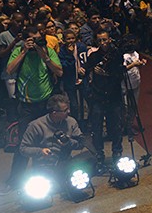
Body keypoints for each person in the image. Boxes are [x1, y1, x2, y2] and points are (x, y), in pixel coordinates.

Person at [4, 24, 63, 190]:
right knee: (24, 143)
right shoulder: (19, 51)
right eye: (32, 40)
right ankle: (15, 179)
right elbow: (9, 70)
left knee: (50, 140)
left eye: (38, 39)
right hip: (27, 105)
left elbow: (59, 72)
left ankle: (50, 175)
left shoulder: (47, 51)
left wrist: (44, 55)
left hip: (46, 103)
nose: (36, 42)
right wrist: (24, 51)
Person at [85, 30, 126, 172]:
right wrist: (90, 71)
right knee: (96, 128)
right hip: (98, 96)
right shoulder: (94, 56)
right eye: (100, 40)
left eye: (105, 39)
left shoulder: (117, 55)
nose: (103, 43)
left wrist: (106, 73)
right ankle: (99, 155)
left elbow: (120, 73)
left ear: (109, 40)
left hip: (113, 96)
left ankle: (117, 153)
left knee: (115, 126)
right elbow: (86, 71)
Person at [19, 94, 85, 170]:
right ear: (54, 113)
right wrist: (41, 151)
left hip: (65, 165)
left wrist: (68, 142)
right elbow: (23, 149)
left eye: (68, 109)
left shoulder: (71, 122)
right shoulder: (35, 126)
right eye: (65, 110)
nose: (69, 111)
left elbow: (81, 144)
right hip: (42, 166)